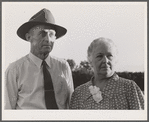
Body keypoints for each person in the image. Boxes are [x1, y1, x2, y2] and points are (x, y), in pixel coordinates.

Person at [5, 8, 74, 109]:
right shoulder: (14, 70)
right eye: (42, 34)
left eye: (51, 34)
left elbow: (71, 104)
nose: (47, 39)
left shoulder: (63, 66)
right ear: (29, 37)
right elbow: (7, 109)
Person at [69, 37, 144, 109]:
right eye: (99, 56)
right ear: (90, 60)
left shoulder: (129, 88)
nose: (105, 61)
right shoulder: (79, 94)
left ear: (115, 59)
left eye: (109, 56)